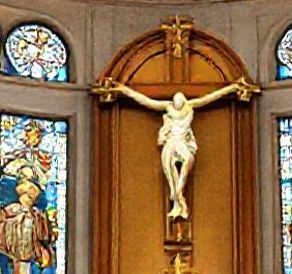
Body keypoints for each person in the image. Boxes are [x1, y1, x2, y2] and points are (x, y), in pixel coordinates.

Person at [105, 79, 255, 219]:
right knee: (170, 168)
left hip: (183, 142)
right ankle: (178, 200)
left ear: (183, 101)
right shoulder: (167, 107)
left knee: (188, 160)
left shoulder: (190, 106)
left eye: (179, 101)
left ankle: (179, 195)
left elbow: (211, 97)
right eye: (175, 102)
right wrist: (122, 89)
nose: (177, 104)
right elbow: (146, 101)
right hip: (171, 143)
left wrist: (232, 88)